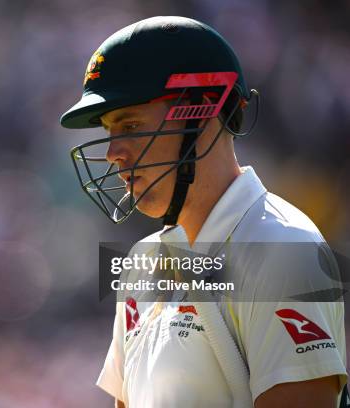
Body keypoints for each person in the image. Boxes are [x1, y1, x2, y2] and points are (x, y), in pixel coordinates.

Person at [59, 16, 347, 407]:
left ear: (201, 110)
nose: (113, 153)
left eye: (130, 125)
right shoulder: (142, 264)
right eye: (111, 131)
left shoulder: (281, 248)